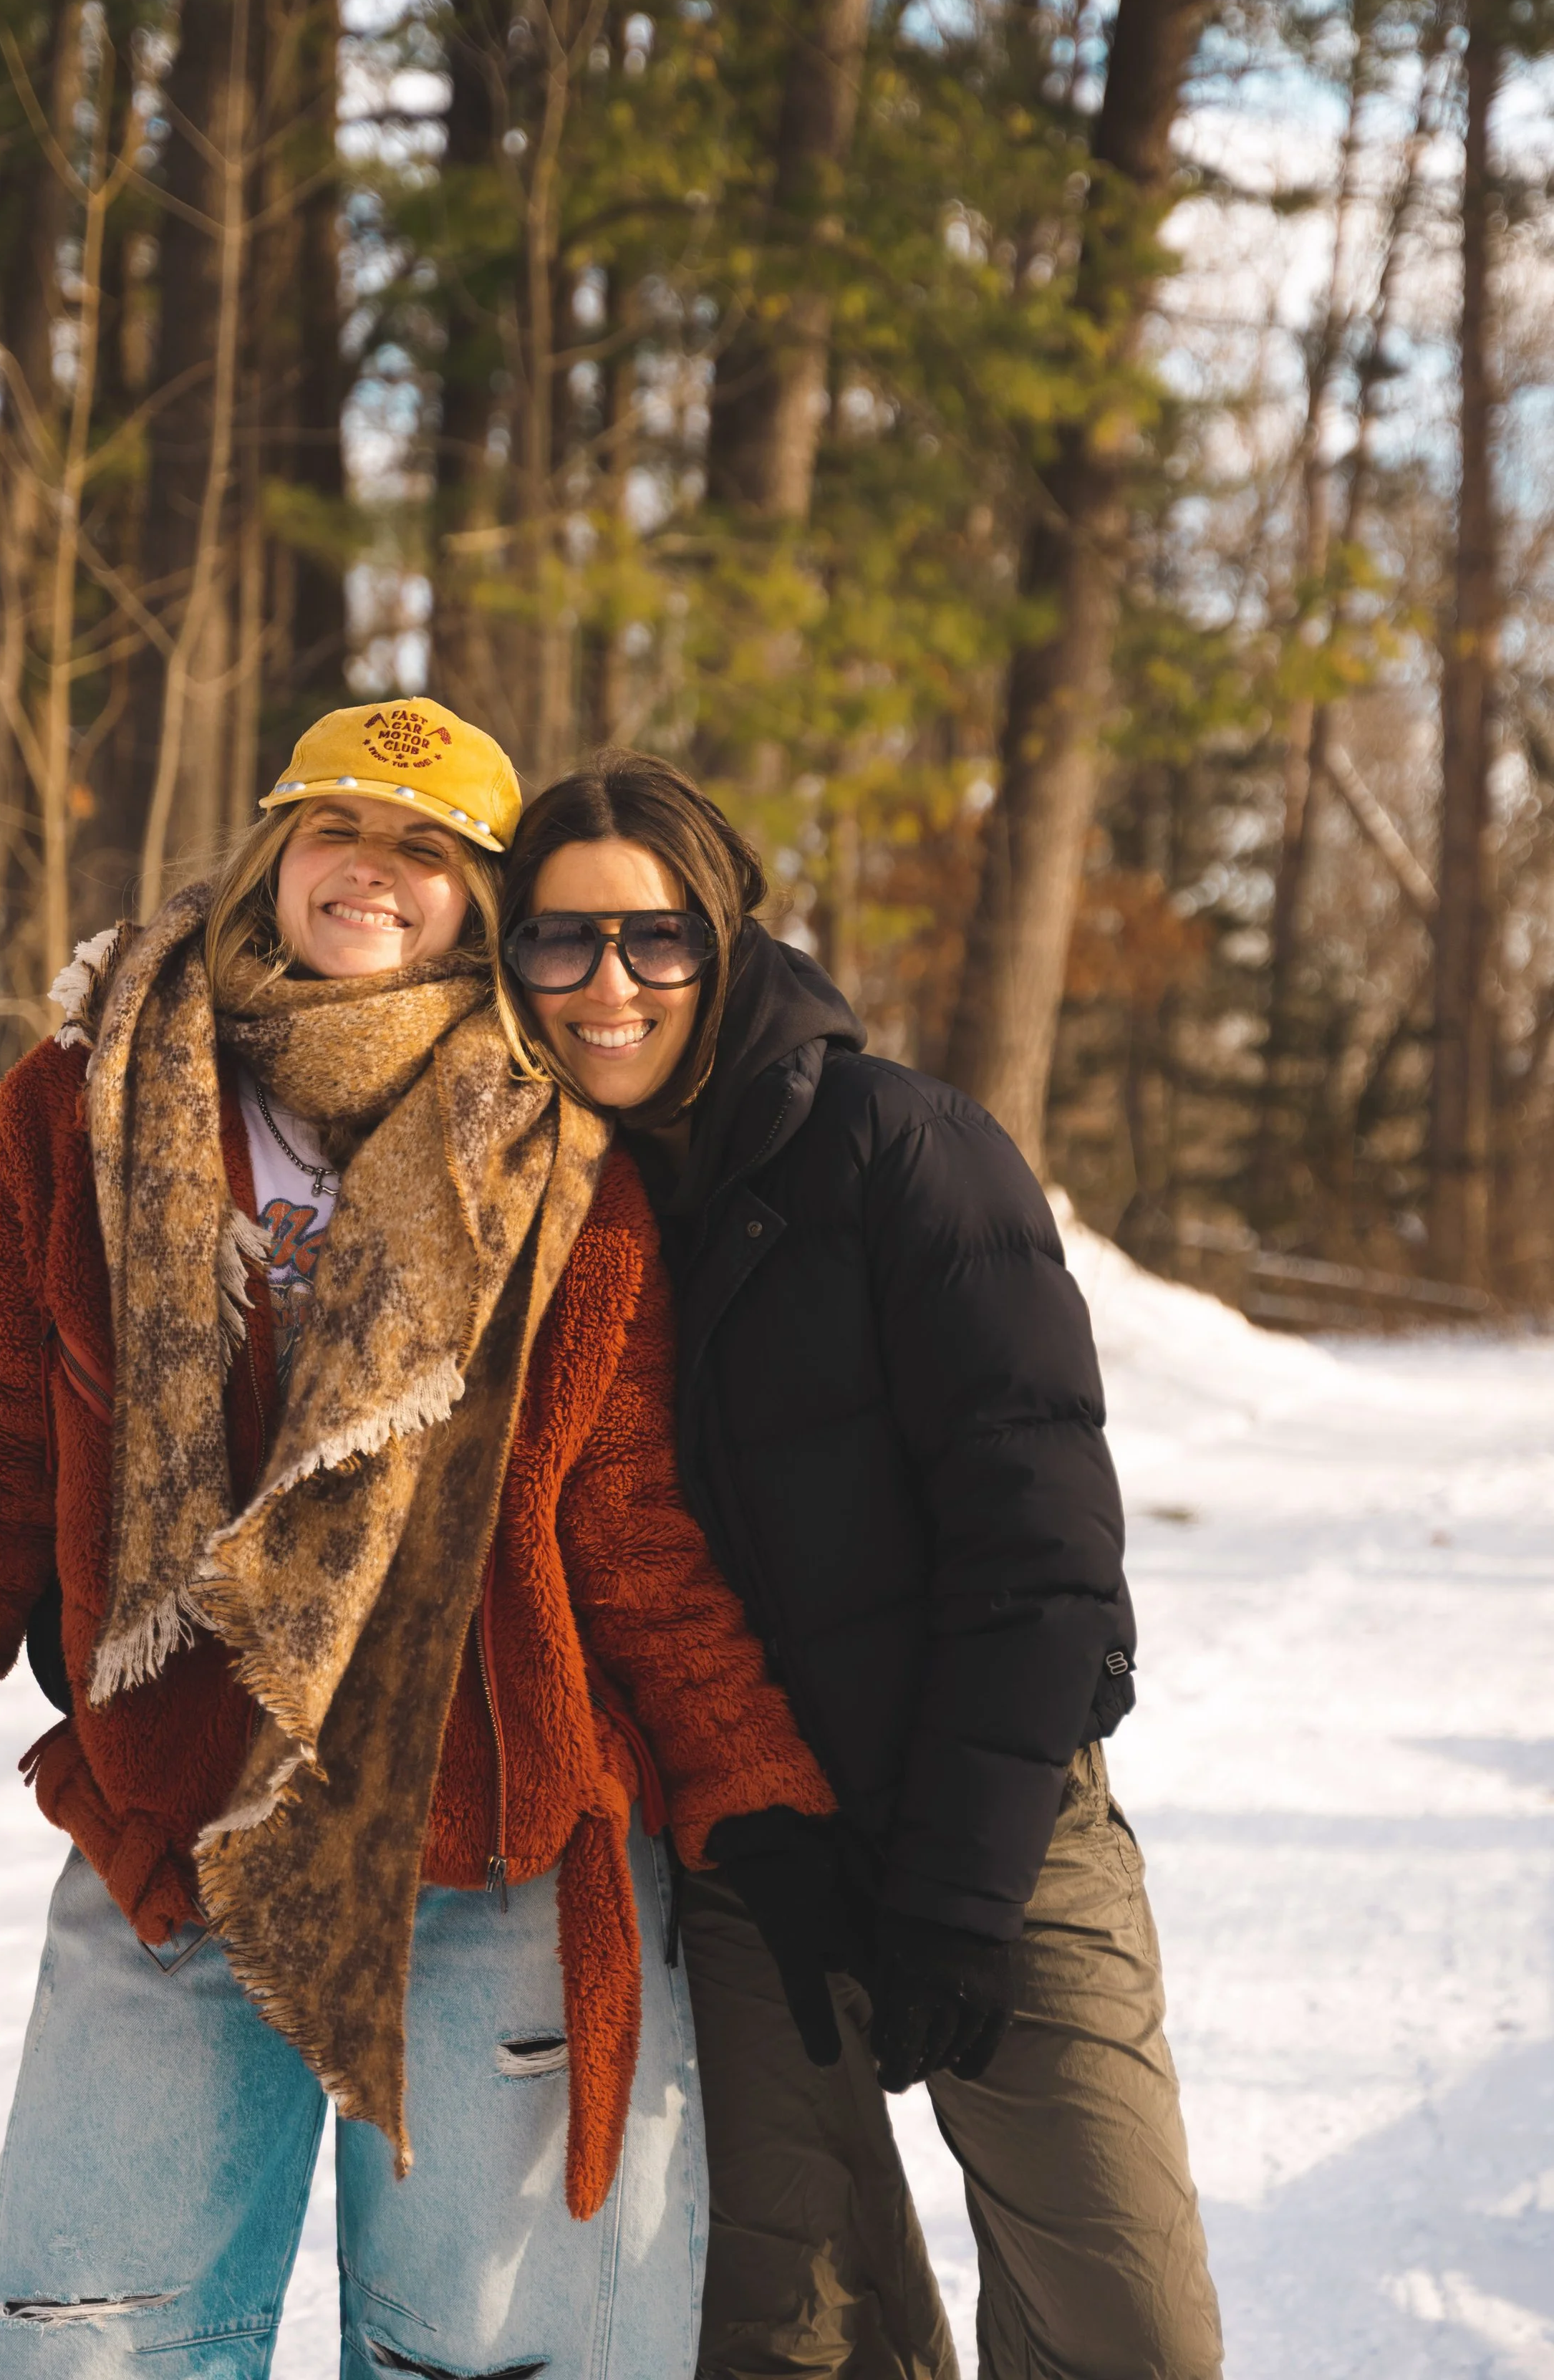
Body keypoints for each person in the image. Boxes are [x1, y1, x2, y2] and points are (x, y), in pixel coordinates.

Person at [0, 701, 834, 2380]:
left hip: (482, 1838)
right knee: (93, 2346)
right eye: (341, 824)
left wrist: (761, 1803)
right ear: (276, 848)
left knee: (490, 2360)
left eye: (431, 847)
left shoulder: (556, 1152)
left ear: (482, 904)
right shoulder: (85, 1101)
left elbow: (627, 1534)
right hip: (177, 1831)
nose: (377, 867)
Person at [493, 750, 1225, 2380]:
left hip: (996, 1828)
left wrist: (961, 1900)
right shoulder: (535, 1202)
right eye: (558, 942)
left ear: (729, 935)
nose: (607, 986)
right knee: (794, 2333)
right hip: (747, 1855)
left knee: (1131, 2334)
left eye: (654, 938)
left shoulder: (902, 1149)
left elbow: (1038, 1553)